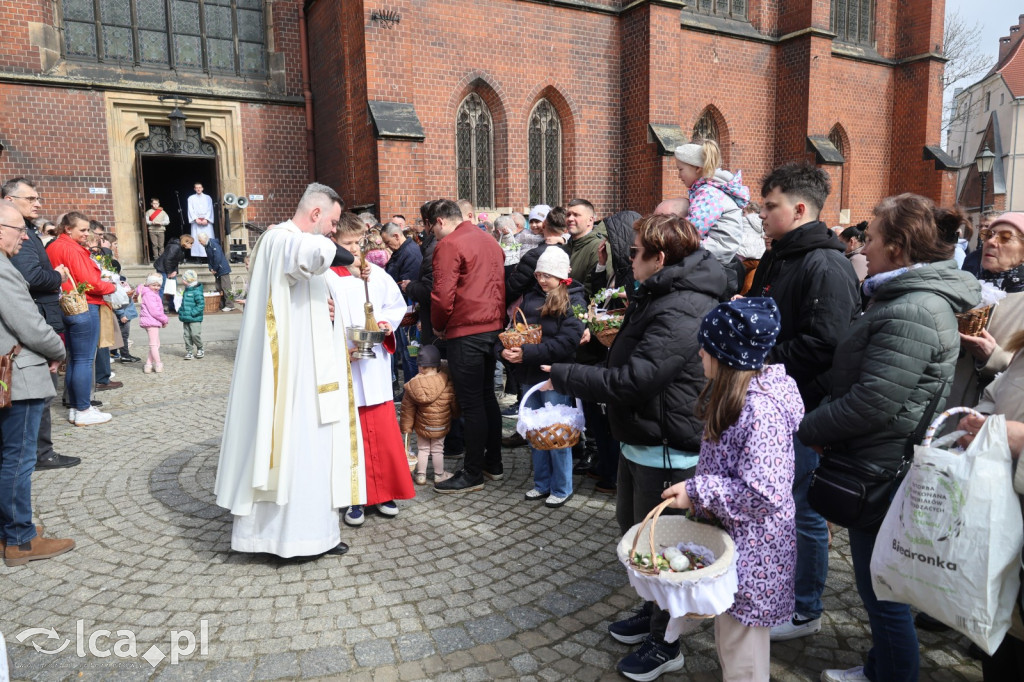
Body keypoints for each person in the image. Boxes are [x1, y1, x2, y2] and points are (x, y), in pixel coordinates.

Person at [798, 194, 980, 682]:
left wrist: (809, 426)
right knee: (880, 581)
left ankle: (892, 673)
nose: (865, 247)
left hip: (880, 465)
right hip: (878, 459)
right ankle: (881, 667)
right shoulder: (903, 299)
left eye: (873, 239)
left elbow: (873, 402)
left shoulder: (914, 309)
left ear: (898, 248)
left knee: (881, 588)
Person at [545, 214, 727, 680]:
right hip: (643, 439)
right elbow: (629, 356)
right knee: (633, 530)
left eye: (633, 252)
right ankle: (653, 617)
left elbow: (637, 378)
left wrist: (566, 374)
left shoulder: (682, 305)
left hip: (667, 445)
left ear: (660, 258)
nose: (628, 259)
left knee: (661, 548)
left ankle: (666, 643)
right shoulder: (661, 294)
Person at [214, 182, 359, 559]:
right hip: (290, 378)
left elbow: (303, 288)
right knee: (295, 451)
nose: (332, 230)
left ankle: (317, 535)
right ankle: (282, 540)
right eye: (332, 221)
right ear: (315, 214)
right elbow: (315, 255)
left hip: (308, 367)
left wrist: (326, 308)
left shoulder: (287, 240)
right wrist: (351, 254)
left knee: (314, 453)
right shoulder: (283, 238)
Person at [747, 163, 861, 643]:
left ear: (798, 209)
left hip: (804, 409)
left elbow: (825, 343)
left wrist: (758, 360)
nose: (761, 214)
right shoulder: (780, 256)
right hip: (771, 402)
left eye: (770, 206)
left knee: (804, 509)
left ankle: (805, 608)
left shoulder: (825, 264)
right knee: (780, 505)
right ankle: (781, 592)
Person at [661, 297, 801, 681]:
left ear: (728, 356)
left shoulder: (760, 411)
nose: (700, 351)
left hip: (756, 552)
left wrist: (699, 491)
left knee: (743, 651)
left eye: (708, 346)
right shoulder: (739, 400)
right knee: (731, 636)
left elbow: (764, 494)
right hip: (739, 543)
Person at [0, 203, 75, 567]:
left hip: (8, 373)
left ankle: (10, 531)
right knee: (18, 458)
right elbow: (28, 323)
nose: (26, 236)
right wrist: (58, 347)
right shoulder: (2, 269)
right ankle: (20, 540)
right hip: (20, 376)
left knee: (9, 456)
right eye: (19, 229)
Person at [326, 212, 412, 525]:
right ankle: (354, 498)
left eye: (356, 243)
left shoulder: (376, 273)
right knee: (352, 437)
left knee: (382, 434)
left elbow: (396, 304)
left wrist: (387, 324)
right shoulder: (326, 276)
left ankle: (385, 492)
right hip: (344, 364)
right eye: (346, 244)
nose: (353, 249)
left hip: (373, 365)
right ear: (334, 242)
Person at [955, 330, 1024, 680]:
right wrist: (980, 419)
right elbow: (999, 390)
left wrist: (1020, 440)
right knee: (999, 629)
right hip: (1001, 501)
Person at [429, 199, 506, 493]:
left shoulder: (450, 244)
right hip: (491, 326)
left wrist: (438, 323)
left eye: (432, 227)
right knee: (487, 397)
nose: (433, 234)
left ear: (440, 221)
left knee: (473, 402)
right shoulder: (488, 240)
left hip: (467, 328)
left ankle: (473, 472)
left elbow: (442, 293)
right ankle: (493, 462)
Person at [3, 178, 79, 469]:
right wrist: (58, 277)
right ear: (9, 201)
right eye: (30, 198)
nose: (38, 203)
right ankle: (39, 453)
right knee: (39, 392)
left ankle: (39, 451)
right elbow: (30, 278)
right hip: (35, 320)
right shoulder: (17, 236)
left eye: (38, 198)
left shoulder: (27, 232)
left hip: (42, 316)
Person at [503, 248, 585, 507]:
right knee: (535, 432)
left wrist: (526, 353)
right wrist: (508, 351)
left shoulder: (573, 299)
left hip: (554, 374)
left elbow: (567, 342)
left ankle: (562, 487)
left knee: (556, 433)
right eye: (539, 274)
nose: (542, 280)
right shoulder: (530, 297)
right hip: (529, 373)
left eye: (548, 275)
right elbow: (520, 330)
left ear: (561, 275)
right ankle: (542, 483)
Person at [47, 212, 116, 427]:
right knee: (84, 360)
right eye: (83, 230)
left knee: (75, 360)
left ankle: (77, 407)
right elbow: (90, 282)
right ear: (68, 229)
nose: (87, 234)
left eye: (88, 230)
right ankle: (83, 408)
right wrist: (113, 286)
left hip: (66, 305)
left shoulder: (54, 246)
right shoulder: (71, 248)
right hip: (84, 305)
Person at [948, 212, 1024, 409]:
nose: (991, 242)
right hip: (950, 403)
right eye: (988, 235)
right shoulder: (971, 286)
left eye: (1005, 238)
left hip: (995, 412)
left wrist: (993, 356)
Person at [673, 139, 751, 267]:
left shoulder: (709, 194)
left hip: (715, 250)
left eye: (680, 169)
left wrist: (665, 237)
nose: (678, 175)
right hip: (716, 251)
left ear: (697, 168)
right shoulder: (710, 190)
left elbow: (692, 230)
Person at [400, 344, 457, 486]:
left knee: (423, 449)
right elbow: (453, 403)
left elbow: (407, 409)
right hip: (441, 425)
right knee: (438, 449)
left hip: (422, 425)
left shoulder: (413, 384)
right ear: (437, 365)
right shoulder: (447, 381)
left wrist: (406, 428)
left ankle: (420, 475)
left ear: (420, 367)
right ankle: (439, 475)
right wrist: (456, 414)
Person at [383, 220, 423, 385]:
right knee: (406, 350)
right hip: (402, 306)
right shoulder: (402, 251)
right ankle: (408, 385)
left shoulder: (410, 252)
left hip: (409, 308)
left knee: (410, 350)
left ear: (396, 236)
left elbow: (407, 283)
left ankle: (412, 386)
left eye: (387, 242)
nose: (387, 246)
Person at [565, 199, 610, 300]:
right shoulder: (565, 247)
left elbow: (591, 291)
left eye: (576, 215)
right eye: (568, 215)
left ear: (590, 220)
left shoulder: (598, 247)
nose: (570, 218)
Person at [137, 273, 168, 373]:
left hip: (152, 321)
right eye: (154, 285)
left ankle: (148, 364)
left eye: (158, 285)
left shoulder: (151, 293)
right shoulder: (149, 294)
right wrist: (164, 319)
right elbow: (154, 311)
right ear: (149, 284)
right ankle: (158, 364)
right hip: (151, 321)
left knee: (156, 344)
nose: (156, 287)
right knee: (154, 344)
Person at [153, 234, 192, 313]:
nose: (191, 245)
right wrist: (169, 272)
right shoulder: (175, 247)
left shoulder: (180, 247)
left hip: (169, 268)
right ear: (186, 242)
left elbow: (175, 261)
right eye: (191, 243)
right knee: (162, 287)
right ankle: (159, 308)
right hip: (163, 268)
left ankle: (172, 305)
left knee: (173, 287)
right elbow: (168, 260)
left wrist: (175, 271)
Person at [197, 232, 233, 312]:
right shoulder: (207, 246)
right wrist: (210, 268)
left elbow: (217, 257)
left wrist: (215, 268)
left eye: (200, 240)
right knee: (219, 287)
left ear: (205, 239)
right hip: (216, 269)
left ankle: (230, 304)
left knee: (226, 287)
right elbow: (209, 259)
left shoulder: (213, 244)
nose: (199, 243)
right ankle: (222, 304)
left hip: (222, 268)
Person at [177, 269, 205, 360]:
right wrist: (181, 311)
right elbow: (184, 303)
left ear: (189, 280)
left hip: (195, 317)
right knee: (187, 335)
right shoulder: (187, 290)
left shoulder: (197, 291)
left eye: (184, 279)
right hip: (186, 317)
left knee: (195, 334)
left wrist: (193, 313)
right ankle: (189, 351)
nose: (182, 281)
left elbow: (201, 305)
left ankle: (200, 348)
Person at [187, 183, 214, 259]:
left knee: (208, 237)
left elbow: (210, 209)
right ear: (194, 189)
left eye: (200, 187)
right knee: (196, 238)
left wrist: (207, 219)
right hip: (196, 222)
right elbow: (190, 209)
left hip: (206, 222)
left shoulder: (208, 198)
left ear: (202, 188)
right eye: (197, 188)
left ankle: (208, 255)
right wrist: (196, 219)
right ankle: (198, 257)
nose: (198, 189)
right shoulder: (191, 198)